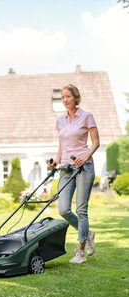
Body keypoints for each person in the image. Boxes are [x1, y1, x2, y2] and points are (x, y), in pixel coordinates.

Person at [48, 84, 100, 264]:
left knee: (81, 209)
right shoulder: (60, 120)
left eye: (67, 97)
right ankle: (88, 233)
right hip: (65, 167)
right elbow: (63, 145)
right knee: (63, 209)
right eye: (62, 97)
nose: (65, 100)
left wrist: (85, 157)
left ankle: (80, 251)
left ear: (75, 97)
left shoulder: (86, 116)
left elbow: (96, 142)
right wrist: (55, 162)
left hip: (84, 167)